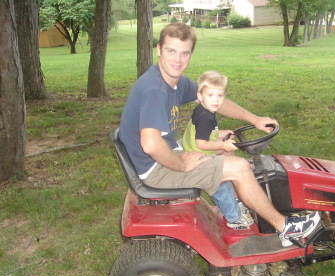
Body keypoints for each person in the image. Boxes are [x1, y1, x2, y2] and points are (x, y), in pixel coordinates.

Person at [119, 22, 320, 247]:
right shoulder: (155, 90)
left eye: (184, 53)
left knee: (227, 160)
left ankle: (237, 213)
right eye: (171, 51)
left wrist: (253, 119)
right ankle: (286, 227)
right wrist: (181, 164)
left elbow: (212, 101)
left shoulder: (173, 82)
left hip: (159, 159)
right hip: (155, 170)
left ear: (190, 55)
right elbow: (151, 144)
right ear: (159, 49)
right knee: (240, 168)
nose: (177, 59)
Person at [182, 70, 253, 229]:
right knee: (221, 183)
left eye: (220, 95)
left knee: (226, 170)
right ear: (200, 96)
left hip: (196, 150)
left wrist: (221, 134)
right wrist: (222, 145)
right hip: (198, 155)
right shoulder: (206, 117)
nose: (216, 100)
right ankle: (235, 219)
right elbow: (201, 143)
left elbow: (206, 133)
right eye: (211, 95)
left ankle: (230, 206)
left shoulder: (206, 110)